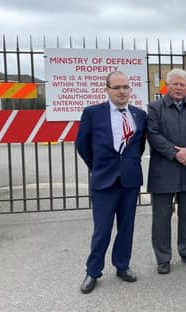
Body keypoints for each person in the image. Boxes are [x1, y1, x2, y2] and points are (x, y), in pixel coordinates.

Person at [76, 71, 147, 294]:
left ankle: (122, 265)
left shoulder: (139, 115)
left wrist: (127, 164)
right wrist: (99, 167)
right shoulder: (92, 113)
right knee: (102, 229)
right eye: (116, 87)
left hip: (130, 180)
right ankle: (93, 271)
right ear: (106, 90)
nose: (122, 91)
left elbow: (139, 147)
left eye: (125, 87)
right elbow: (82, 145)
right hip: (104, 181)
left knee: (126, 227)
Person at [147, 68, 186, 274]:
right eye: (175, 84)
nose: (179, 88)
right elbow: (153, 135)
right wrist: (176, 154)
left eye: (182, 84)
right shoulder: (155, 108)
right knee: (162, 217)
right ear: (167, 86)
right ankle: (163, 258)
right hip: (164, 169)